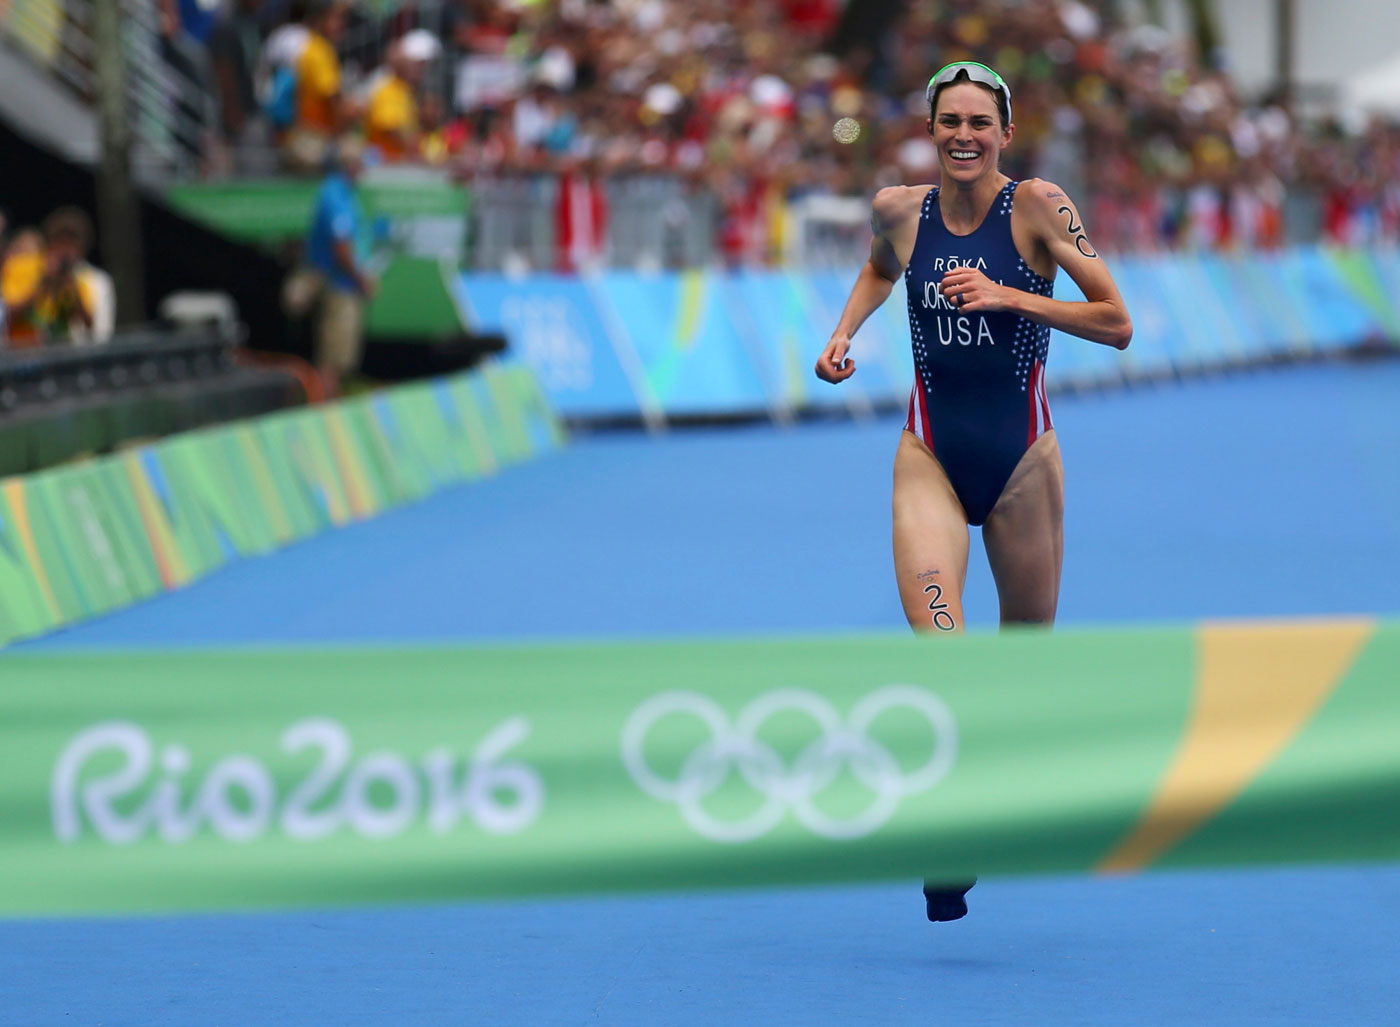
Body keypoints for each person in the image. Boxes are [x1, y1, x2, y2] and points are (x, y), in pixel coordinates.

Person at [814, 62, 1132, 922]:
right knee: (947, 657)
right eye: (948, 120)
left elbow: (1118, 321)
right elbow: (883, 268)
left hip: (1025, 463)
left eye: (978, 123)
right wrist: (845, 332)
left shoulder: (1036, 206)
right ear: (930, 127)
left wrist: (1009, 295)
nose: (963, 136)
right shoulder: (897, 209)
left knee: (1017, 674)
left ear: (1005, 132)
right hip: (929, 457)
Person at [282, 136, 377, 397]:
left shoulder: (343, 192)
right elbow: (341, 248)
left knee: (335, 361)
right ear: (350, 164)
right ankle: (324, 415)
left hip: (339, 281)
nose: (364, 169)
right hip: (338, 284)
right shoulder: (334, 194)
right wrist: (361, 279)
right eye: (360, 163)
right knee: (331, 363)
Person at [1, 208, 112, 347]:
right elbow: (7, 315)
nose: (65, 252)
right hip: (20, 355)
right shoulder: (21, 267)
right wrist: (43, 282)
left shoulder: (80, 280)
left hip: (57, 357)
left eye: (71, 246)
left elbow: (90, 326)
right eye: (61, 243)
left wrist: (72, 288)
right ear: (49, 243)